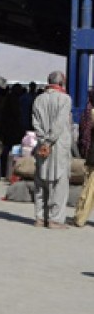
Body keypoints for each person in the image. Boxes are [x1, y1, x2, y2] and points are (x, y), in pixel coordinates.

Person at [32, 71, 72, 229]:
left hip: (42, 146)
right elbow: (59, 123)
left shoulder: (38, 99)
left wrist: (42, 140)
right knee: (59, 182)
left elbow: (35, 123)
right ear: (62, 82)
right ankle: (55, 219)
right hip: (58, 146)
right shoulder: (65, 99)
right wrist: (49, 141)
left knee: (41, 181)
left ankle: (40, 218)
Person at [74, 89, 94, 227]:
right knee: (90, 188)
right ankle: (80, 218)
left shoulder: (88, 111)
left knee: (89, 189)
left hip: (91, 154)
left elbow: (84, 135)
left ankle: (80, 217)